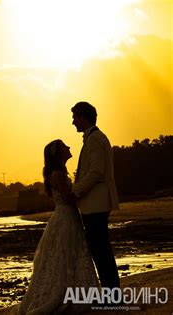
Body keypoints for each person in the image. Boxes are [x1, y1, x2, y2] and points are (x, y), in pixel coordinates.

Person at [0, 140, 99, 314]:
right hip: (65, 218)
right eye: (65, 147)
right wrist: (86, 190)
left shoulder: (59, 173)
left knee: (69, 253)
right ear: (58, 154)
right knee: (65, 254)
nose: (69, 148)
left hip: (69, 217)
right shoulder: (57, 175)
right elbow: (69, 198)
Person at [71, 101, 120, 291]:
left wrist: (76, 190)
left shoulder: (94, 139)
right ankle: (111, 293)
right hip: (95, 204)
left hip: (96, 205)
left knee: (101, 252)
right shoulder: (95, 138)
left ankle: (112, 295)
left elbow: (96, 172)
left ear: (84, 117)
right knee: (101, 251)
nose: (73, 122)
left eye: (75, 117)